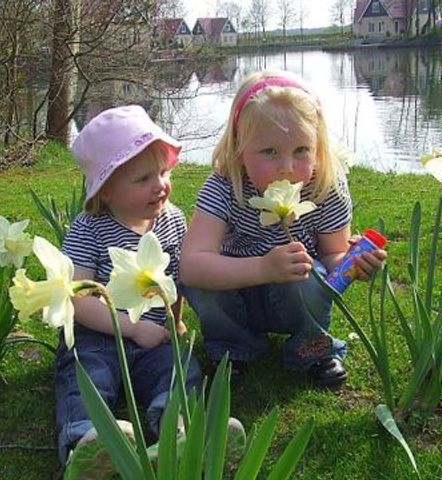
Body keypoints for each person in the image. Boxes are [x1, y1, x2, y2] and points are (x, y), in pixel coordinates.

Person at [180, 70, 387, 389]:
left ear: (318, 146)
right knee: (202, 284)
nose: (287, 167)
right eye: (269, 152)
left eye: (301, 150)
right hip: (236, 296)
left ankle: (312, 349)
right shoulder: (225, 186)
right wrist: (263, 268)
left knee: (308, 272)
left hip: (296, 295)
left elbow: (333, 255)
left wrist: (353, 264)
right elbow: (191, 265)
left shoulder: (325, 186)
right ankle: (234, 348)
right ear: (239, 149)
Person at [55, 105, 203, 474]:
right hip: (98, 334)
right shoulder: (89, 228)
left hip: (153, 336)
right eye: (143, 179)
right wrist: (131, 328)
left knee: (180, 370)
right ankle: (85, 442)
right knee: (85, 376)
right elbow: (77, 299)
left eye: (163, 172)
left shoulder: (173, 220)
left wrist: (174, 321)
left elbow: (176, 282)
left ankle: (177, 430)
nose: (160, 185)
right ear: (105, 191)